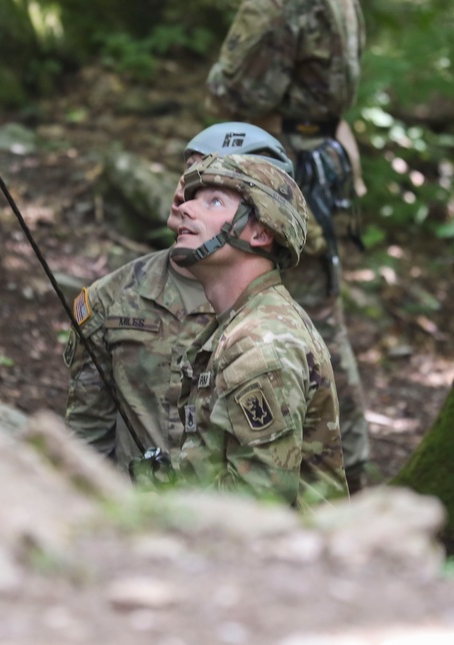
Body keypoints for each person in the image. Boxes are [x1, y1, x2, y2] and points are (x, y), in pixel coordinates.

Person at [202, 0, 371, 492]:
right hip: (316, 161)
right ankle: (349, 464)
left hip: (278, 169)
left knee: (263, 312)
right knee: (320, 317)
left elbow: (230, 91)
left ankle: (296, 469)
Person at [63, 122, 296, 475]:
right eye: (187, 176)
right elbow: (86, 436)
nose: (183, 194)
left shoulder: (272, 325)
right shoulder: (109, 298)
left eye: (211, 192)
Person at [171, 153, 348, 507]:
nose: (187, 208)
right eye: (192, 198)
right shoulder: (242, 326)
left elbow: (259, 506)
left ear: (260, 232)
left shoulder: (260, 344)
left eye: (214, 201)